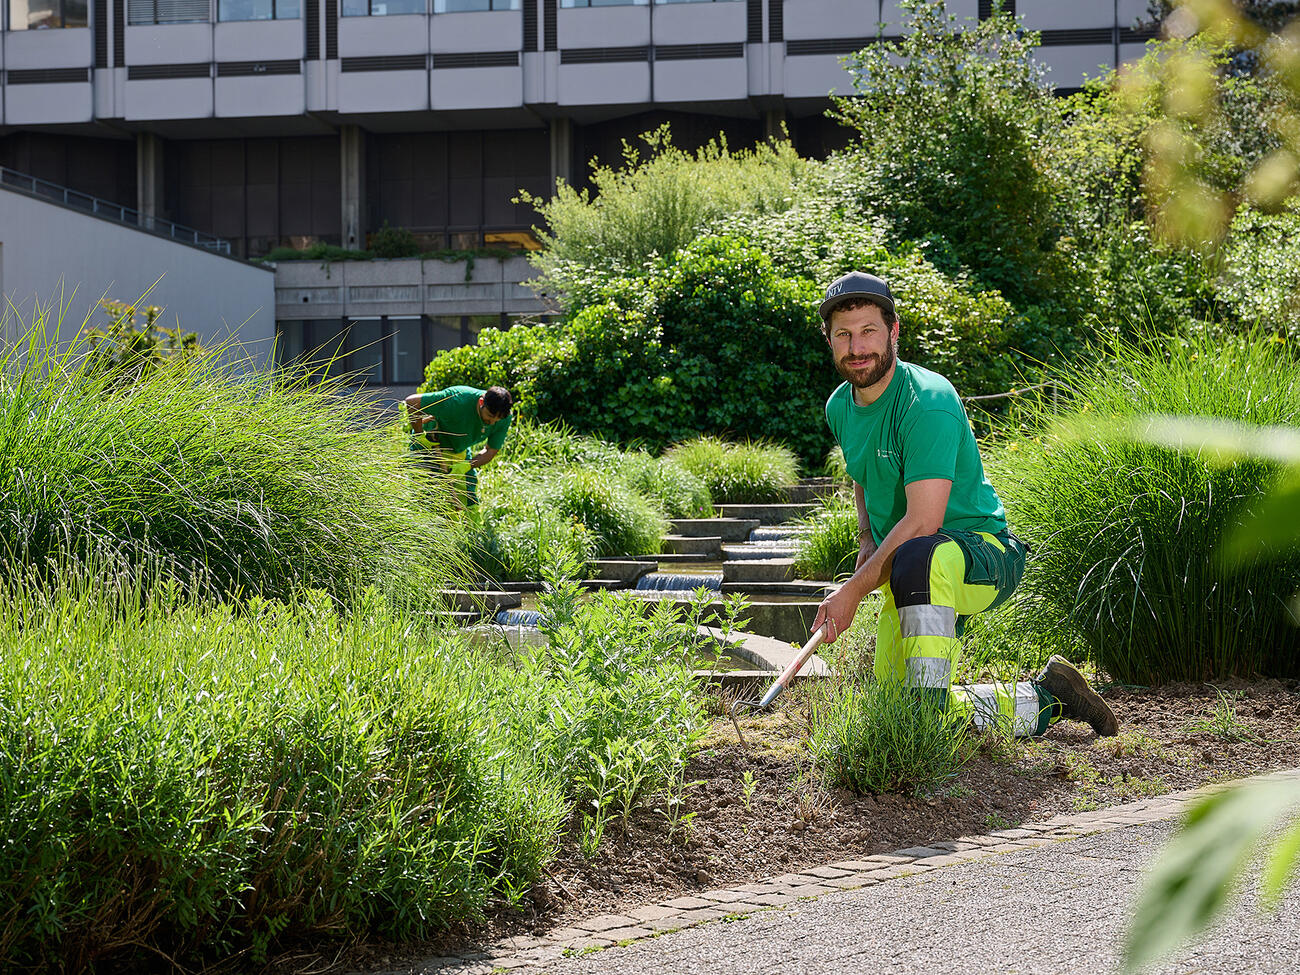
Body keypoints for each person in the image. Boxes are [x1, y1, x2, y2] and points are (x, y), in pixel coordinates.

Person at [811, 271, 1117, 738]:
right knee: (901, 712)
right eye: (844, 335)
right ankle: (1048, 697)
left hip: (981, 553)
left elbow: (923, 521)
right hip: (912, 564)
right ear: (829, 341)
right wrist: (867, 536)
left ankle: (928, 716)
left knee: (920, 554)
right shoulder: (840, 405)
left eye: (869, 331)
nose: (857, 348)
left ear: (894, 331)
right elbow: (862, 471)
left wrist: (852, 590)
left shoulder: (926, 401)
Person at [404, 385, 513, 506]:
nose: (492, 422)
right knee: (427, 499)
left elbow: (491, 451)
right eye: (491, 416)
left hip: (459, 449)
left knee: (469, 501)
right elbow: (412, 402)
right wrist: (420, 437)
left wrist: (466, 465)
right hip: (430, 446)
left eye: (498, 419)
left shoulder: (504, 417)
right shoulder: (456, 399)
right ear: (481, 402)